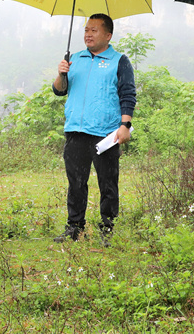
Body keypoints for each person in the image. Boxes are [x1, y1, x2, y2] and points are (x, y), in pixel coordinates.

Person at [52, 14, 136, 244]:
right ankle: (74, 227)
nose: (88, 34)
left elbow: (127, 94)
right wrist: (61, 74)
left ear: (108, 35)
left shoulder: (119, 61)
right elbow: (59, 90)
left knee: (108, 183)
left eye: (94, 30)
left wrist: (125, 125)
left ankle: (107, 229)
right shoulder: (74, 59)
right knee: (76, 183)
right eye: (86, 30)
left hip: (106, 133)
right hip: (76, 131)